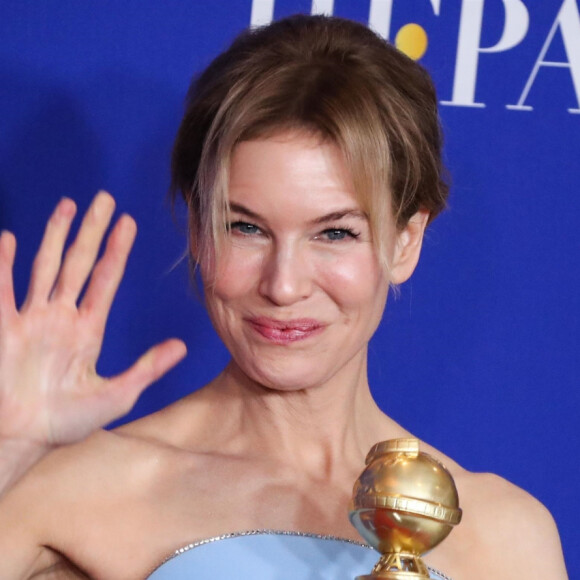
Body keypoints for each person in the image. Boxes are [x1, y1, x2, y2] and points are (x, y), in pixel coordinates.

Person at [0, 14, 567, 580]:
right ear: (198, 230)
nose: (283, 284)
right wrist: (10, 450)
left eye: (335, 232)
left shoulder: (503, 536)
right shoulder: (72, 492)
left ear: (405, 242)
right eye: (245, 227)